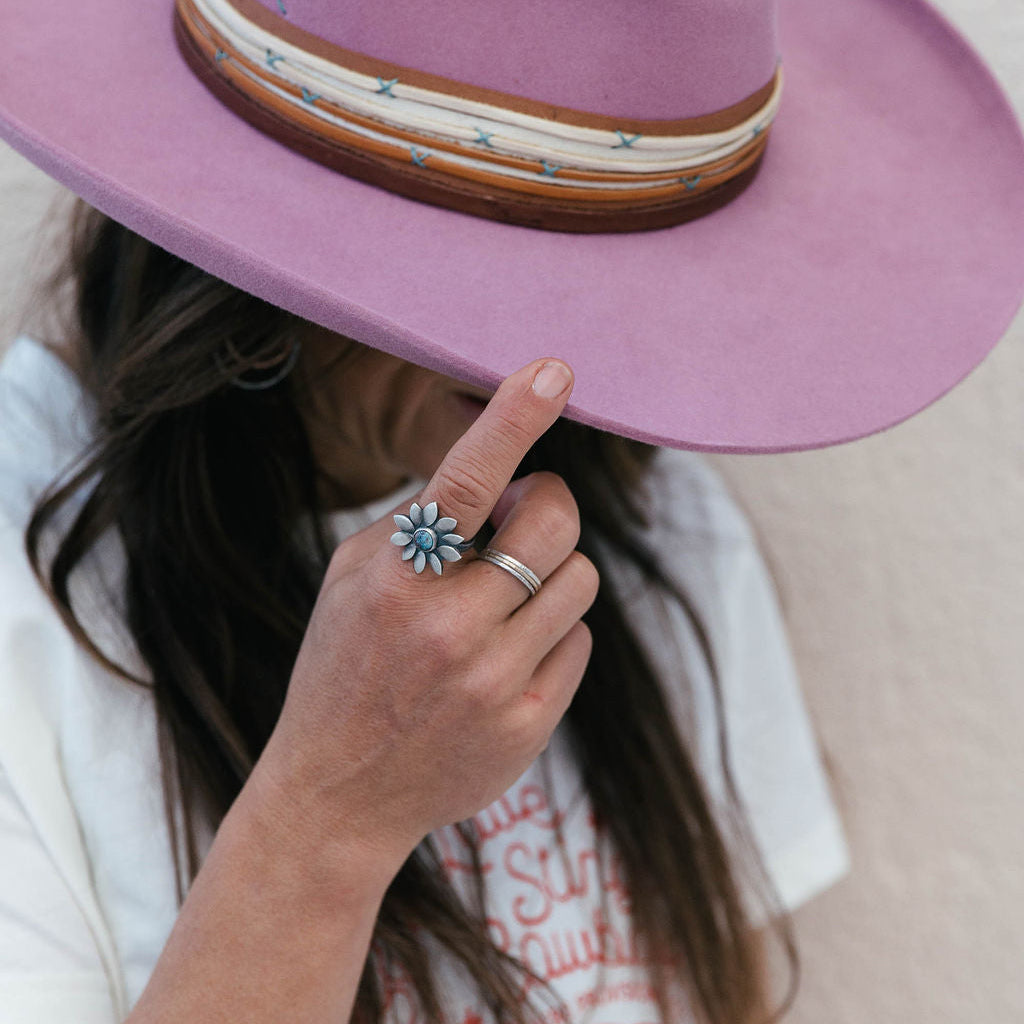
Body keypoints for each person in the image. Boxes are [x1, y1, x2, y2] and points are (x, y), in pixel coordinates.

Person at [1, 1, 1022, 1023]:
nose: (572, 362)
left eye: (615, 262)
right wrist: (331, 819)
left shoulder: (643, 512)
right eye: (503, 275)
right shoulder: (30, 612)